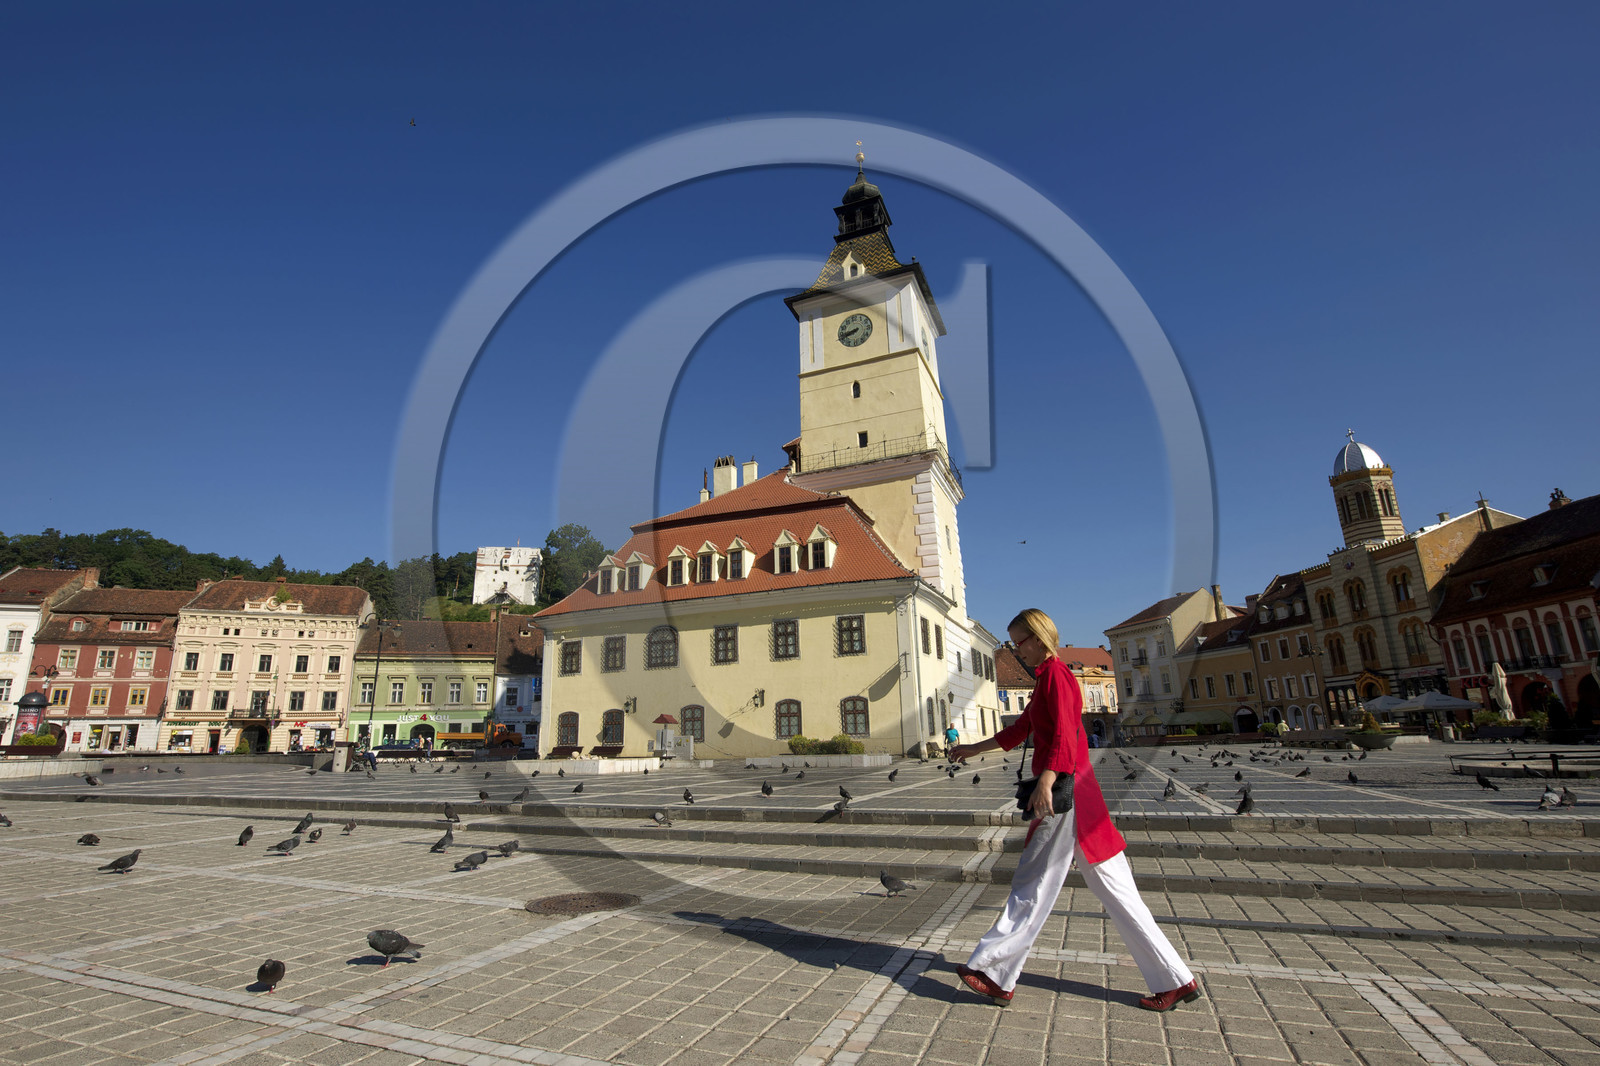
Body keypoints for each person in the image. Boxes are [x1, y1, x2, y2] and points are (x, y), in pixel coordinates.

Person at [949, 608, 1198, 1012]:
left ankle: (994, 972)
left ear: (1039, 638)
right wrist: (972, 749)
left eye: (1020, 642)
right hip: (1082, 798)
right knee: (1118, 892)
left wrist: (1046, 781)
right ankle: (1176, 980)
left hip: (1065, 796)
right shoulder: (1046, 679)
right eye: (1013, 642)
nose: (1016, 650)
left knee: (1033, 882)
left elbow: (1066, 734)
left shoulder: (1057, 676)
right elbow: (1021, 730)